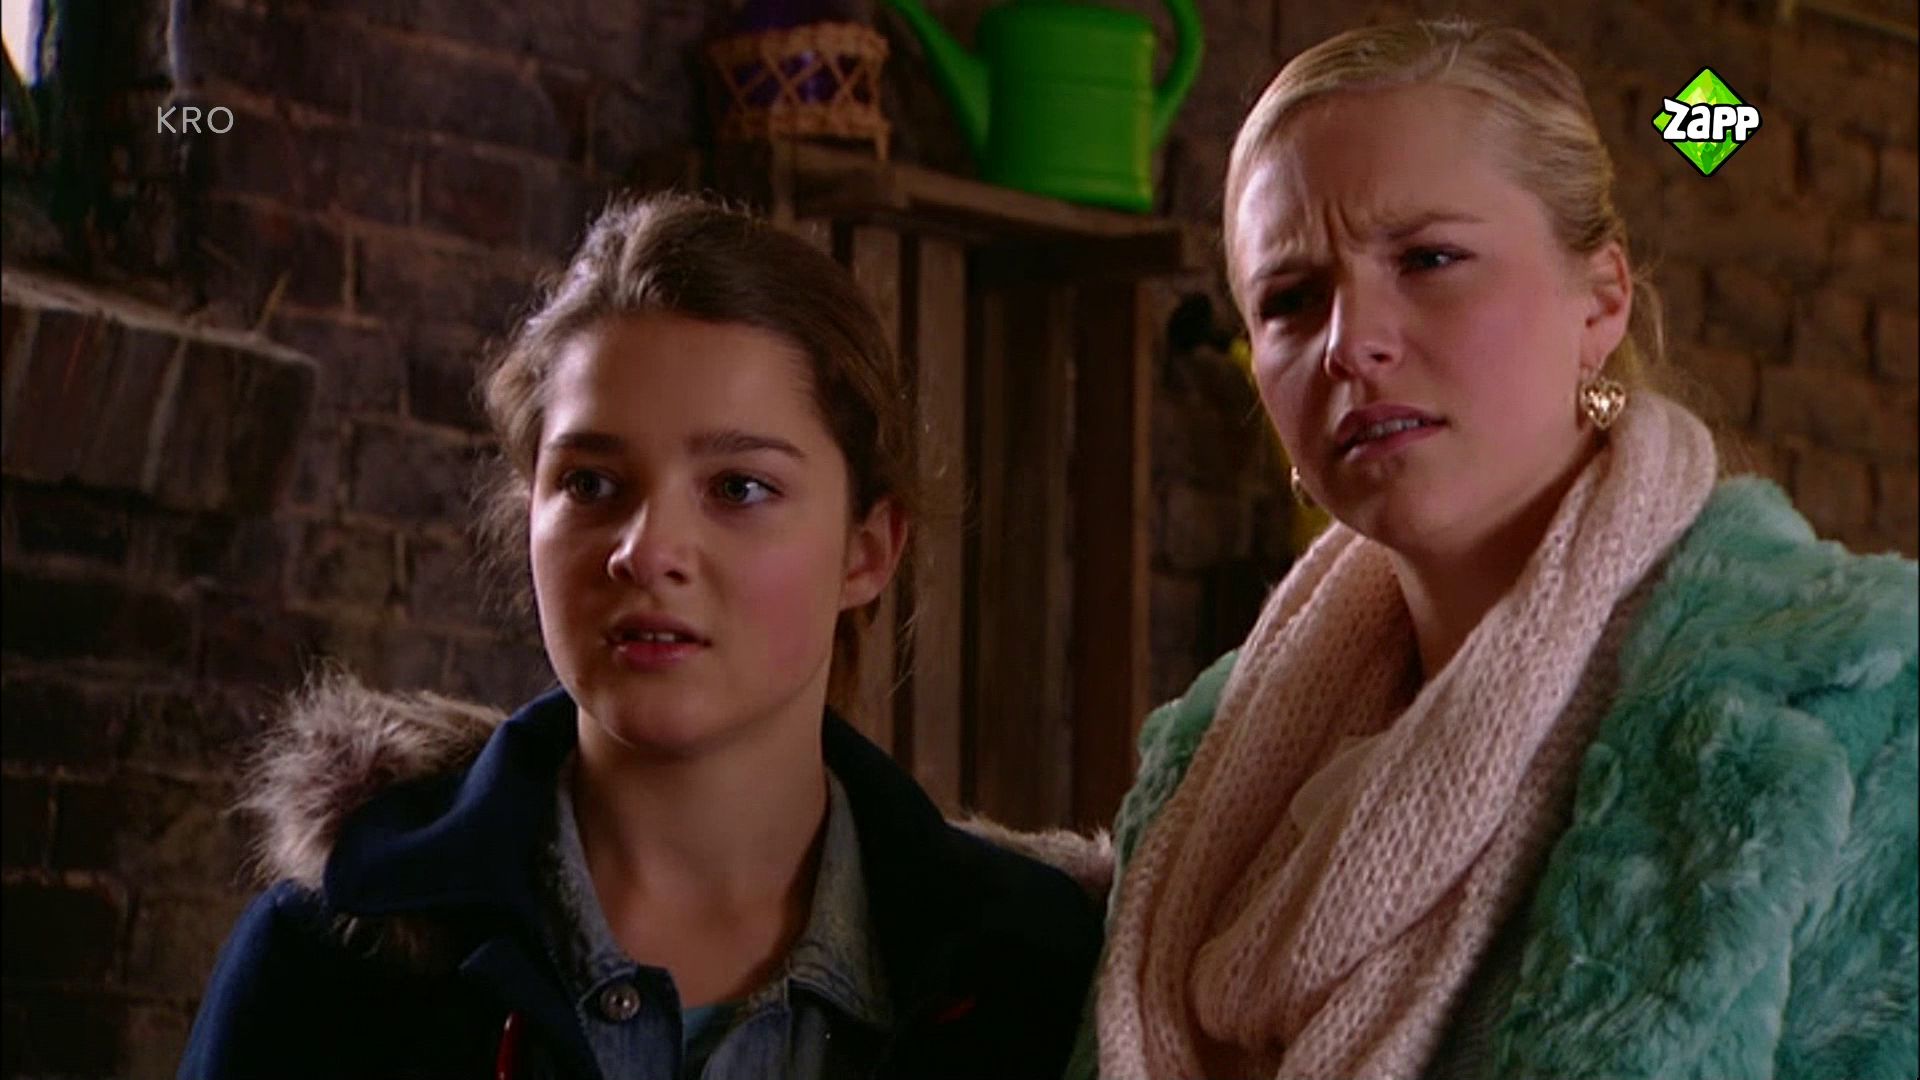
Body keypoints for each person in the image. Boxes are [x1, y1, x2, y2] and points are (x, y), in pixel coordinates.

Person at [1070, 19, 1918, 1080]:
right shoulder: (1212, 777)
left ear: (1601, 302)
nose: (1350, 343)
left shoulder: (1848, 709)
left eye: (1429, 259)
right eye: (1290, 301)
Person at [179, 193, 1103, 1079]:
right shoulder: (329, 963)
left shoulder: (1035, 976)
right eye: (590, 484)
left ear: (867, 551)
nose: (647, 551)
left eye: (739, 488)